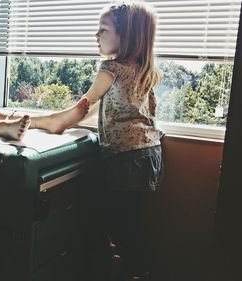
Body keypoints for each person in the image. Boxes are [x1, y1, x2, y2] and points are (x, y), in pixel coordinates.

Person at [35, 2, 164, 280]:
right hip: (148, 154)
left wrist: (46, 122)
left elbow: (85, 105)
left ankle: (135, 271)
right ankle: (137, 268)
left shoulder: (112, 68)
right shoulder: (142, 68)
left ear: (125, 36)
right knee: (131, 221)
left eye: (103, 30)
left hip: (125, 158)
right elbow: (99, 109)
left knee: (117, 223)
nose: (96, 35)